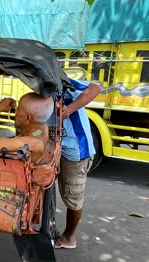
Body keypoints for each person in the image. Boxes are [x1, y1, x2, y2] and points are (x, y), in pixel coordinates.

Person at [49, 78, 101, 249]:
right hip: (53, 146)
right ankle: (47, 228)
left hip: (76, 150)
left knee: (72, 198)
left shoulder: (62, 81)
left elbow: (95, 88)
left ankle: (69, 237)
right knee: (45, 186)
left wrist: (69, 109)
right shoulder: (39, 87)